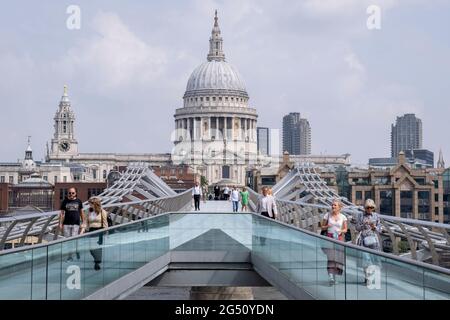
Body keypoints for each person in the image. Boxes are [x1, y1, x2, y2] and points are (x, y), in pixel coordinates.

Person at [356, 199, 382, 286]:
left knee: (374, 260)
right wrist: (364, 225)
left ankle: (370, 276)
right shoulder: (360, 215)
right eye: (367, 207)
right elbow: (357, 228)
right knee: (366, 260)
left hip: (374, 241)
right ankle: (367, 277)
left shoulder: (376, 216)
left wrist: (374, 227)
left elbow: (380, 229)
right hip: (363, 240)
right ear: (365, 207)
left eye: (371, 207)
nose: (369, 209)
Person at [321, 199, 347, 286]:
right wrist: (327, 226)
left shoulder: (343, 217)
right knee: (330, 257)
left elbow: (345, 229)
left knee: (338, 259)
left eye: (335, 205)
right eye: (332, 205)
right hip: (329, 238)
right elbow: (322, 227)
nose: (333, 206)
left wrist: (341, 231)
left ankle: (335, 277)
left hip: (339, 238)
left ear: (339, 207)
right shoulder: (327, 215)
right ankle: (331, 277)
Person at [80, 197, 108, 270]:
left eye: (90, 204)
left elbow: (105, 223)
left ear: (95, 204)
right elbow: (85, 222)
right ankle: (97, 259)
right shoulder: (88, 212)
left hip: (99, 231)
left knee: (98, 248)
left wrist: (106, 233)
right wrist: (82, 231)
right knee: (91, 248)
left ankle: (97, 262)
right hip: (91, 231)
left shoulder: (102, 212)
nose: (89, 206)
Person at [59, 187, 84, 261]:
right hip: (66, 223)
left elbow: (82, 213)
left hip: (76, 223)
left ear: (75, 193)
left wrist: (83, 222)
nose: (71, 194)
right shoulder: (64, 201)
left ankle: (73, 253)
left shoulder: (79, 201)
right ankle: (71, 255)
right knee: (68, 240)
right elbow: (62, 214)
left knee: (73, 240)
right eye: (69, 193)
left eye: (73, 193)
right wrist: (60, 223)